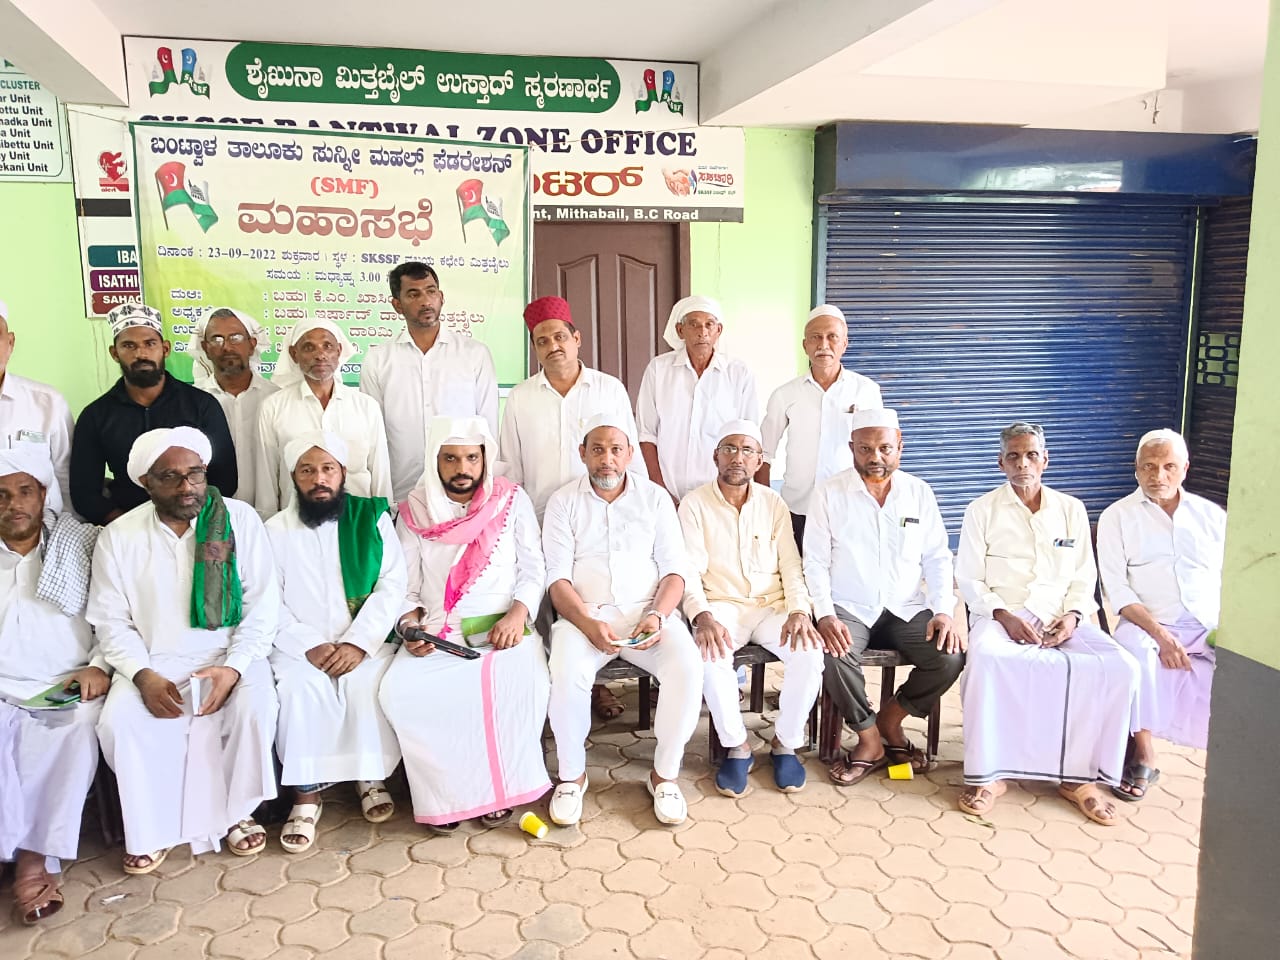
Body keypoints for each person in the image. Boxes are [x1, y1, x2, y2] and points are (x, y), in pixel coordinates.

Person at [89, 427, 280, 873]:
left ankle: (236, 813)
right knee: (119, 723)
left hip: (231, 655)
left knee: (254, 710)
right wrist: (143, 676)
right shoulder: (118, 536)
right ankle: (151, 827)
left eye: (195, 474)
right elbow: (111, 621)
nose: (187, 486)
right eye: (170, 476)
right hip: (153, 662)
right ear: (145, 482)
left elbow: (263, 606)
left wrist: (234, 668)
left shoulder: (239, 519)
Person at [956, 421, 1140, 826]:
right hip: (1002, 614)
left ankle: (1080, 779)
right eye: (1014, 456)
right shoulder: (981, 510)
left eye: (1031, 455)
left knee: (1120, 667)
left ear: (1045, 460)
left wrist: (1073, 617)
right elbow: (968, 578)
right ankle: (990, 776)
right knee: (986, 660)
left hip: (1061, 616)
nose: (1023, 464)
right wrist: (1004, 616)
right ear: (1001, 463)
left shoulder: (1071, 509)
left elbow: (1084, 576)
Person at [380, 416, 549, 833]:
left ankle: (499, 791)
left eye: (472, 458)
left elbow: (533, 569)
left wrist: (518, 614)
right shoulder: (414, 510)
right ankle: (446, 798)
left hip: (504, 626)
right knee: (399, 691)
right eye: (451, 458)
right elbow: (405, 586)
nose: (463, 468)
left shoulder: (511, 500)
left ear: (485, 459)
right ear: (434, 461)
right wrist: (410, 627)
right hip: (439, 630)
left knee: (516, 684)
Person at [544, 414, 703, 826]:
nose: (607, 459)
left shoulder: (655, 499)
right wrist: (585, 622)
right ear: (583, 453)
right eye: (597, 450)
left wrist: (657, 615)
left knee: (687, 667)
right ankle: (571, 777)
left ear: (630, 454)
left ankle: (664, 775)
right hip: (584, 616)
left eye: (616, 450)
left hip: (647, 614)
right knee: (565, 672)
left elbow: (675, 571)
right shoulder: (563, 501)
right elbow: (556, 579)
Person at [497, 295, 639, 723]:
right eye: (542, 341)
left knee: (594, 596)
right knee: (546, 602)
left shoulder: (609, 389)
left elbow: (629, 453)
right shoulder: (520, 398)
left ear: (576, 338)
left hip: (601, 513)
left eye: (560, 336)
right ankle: (551, 687)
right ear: (535, 349)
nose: (553, 346)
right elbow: (511, 467)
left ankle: (596, 684)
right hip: (541, 517)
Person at [804, 408, 962, 785]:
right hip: (849, 606)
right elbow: (814, 562)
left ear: (900, 447)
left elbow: (937, 557)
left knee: (949, 656)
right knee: (832, 654)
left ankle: (891, 719)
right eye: (865, 448)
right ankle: (869, 738)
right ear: (851, 449)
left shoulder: (918, 493)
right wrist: (825, 615)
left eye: (885, 448)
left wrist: (943, 610)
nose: (875, 457)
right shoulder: (829, 493)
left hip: (905, 607)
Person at [266, 431, 406, 852]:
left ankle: (369, 776)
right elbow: (266, 599)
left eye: (328, 468)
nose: (319, 479)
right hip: (298, 648)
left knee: (365, 684)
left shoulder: (371, 518)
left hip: (363, 640)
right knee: (298, 689)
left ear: (343, 473)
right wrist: (308, 644)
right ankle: (306, 795)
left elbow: (392, 584)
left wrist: (359, 642)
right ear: (294, 477)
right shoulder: (274, 530)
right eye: (307, 471)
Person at [679, 419, 823, 797]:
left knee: (810, 652)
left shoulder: (774, 503)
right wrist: (702, 616)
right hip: (721, 606)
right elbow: (688, 571)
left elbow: (791, 564)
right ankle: (737, 746)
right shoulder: (694, 504)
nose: (737, 457)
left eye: (747, 451)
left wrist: (799, 611)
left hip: (771, 606)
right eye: (729, 448)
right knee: (709, 655)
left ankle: (785, 743)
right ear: (716, 456)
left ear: (759, 461)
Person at [0, 445, 105, 924]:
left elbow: (117, 616)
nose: (13, 505)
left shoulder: (81, 545)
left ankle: (32, 859)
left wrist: (99, 665)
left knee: (75, 730)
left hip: (68, 682)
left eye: (24, 491)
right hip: (2, 685)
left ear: (43, 495)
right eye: (1, 495)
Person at [1097, 428, 1226, 801]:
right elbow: (1118, 591)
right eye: (1149, 467)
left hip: (1206, 623)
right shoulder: (1117, 517)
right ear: (1136, 469)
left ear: (1185, 468)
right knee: (1132, 656)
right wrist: (1162, 636)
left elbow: (1230, 579)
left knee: (1247, 668)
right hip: (1147, 624)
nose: (1159, 476)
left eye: (1169, 466)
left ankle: (1235, 755)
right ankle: (1144, 753)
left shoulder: (1211, 516)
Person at [71, 302, 237, 524]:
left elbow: (225, 479)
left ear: (165, 349)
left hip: (196, 524)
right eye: (129, 346)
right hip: (127, 526)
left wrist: (191, 523)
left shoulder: (201, 405)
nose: (141, 353)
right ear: (114, 353)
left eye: (149, 344)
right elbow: (84, 493)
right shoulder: (96, 416)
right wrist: (129, 527)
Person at [361, 263, 499, 503]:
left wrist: (486, 490)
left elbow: (487, 428)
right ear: (397, 305)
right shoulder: (378, 359)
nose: (425, 301)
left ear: (441, 297)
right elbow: (373, 435)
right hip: (401, 493)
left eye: (431, 291)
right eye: (413, 294)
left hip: (463, 494)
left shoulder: (474, 354)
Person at [759, 305, 883, 547]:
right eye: (815, 337)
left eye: (832, 337)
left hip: (850, 508)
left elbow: (879, 451)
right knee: (797, 568)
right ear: (805, 345)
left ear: (844, 344)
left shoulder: (866, 391)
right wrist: (763, 505)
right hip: (797, 508)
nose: (823, 345)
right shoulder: (785, 394)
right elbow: (763, 453)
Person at [255, 317, 392, 518]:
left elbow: (380, 469)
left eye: (327, 346)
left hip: (357, 520)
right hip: (297, 521)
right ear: (294, 354)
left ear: (339, 351)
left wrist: (383, 516)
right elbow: (267, 474)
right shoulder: (274, 406)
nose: (320, 355)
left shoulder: (365, 406)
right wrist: (266, 520)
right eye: (309, 347)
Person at [637, 296, 758, 503]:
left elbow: (748, 438)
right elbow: (647, 435)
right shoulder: (658, 370)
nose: (702, 332)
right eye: (694, 324)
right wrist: (660, 490)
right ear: (680, 330)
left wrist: (731, 493)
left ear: (718, 330)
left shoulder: (739, 373)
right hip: (667, 492)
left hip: (721, 494)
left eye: (709, 324)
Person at [191, 307, 279, 513]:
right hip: (209, 516)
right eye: (217, 339)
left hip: (269, 515)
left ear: (252, 344)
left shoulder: (276, 398)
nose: (227, 347)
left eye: (236, 337)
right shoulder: (192, 401)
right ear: (205, 347)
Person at [0, 299, 76, 507]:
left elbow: (66, 474)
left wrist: (70, 522)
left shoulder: (48, 402)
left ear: (10, 342)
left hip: (45, 525)